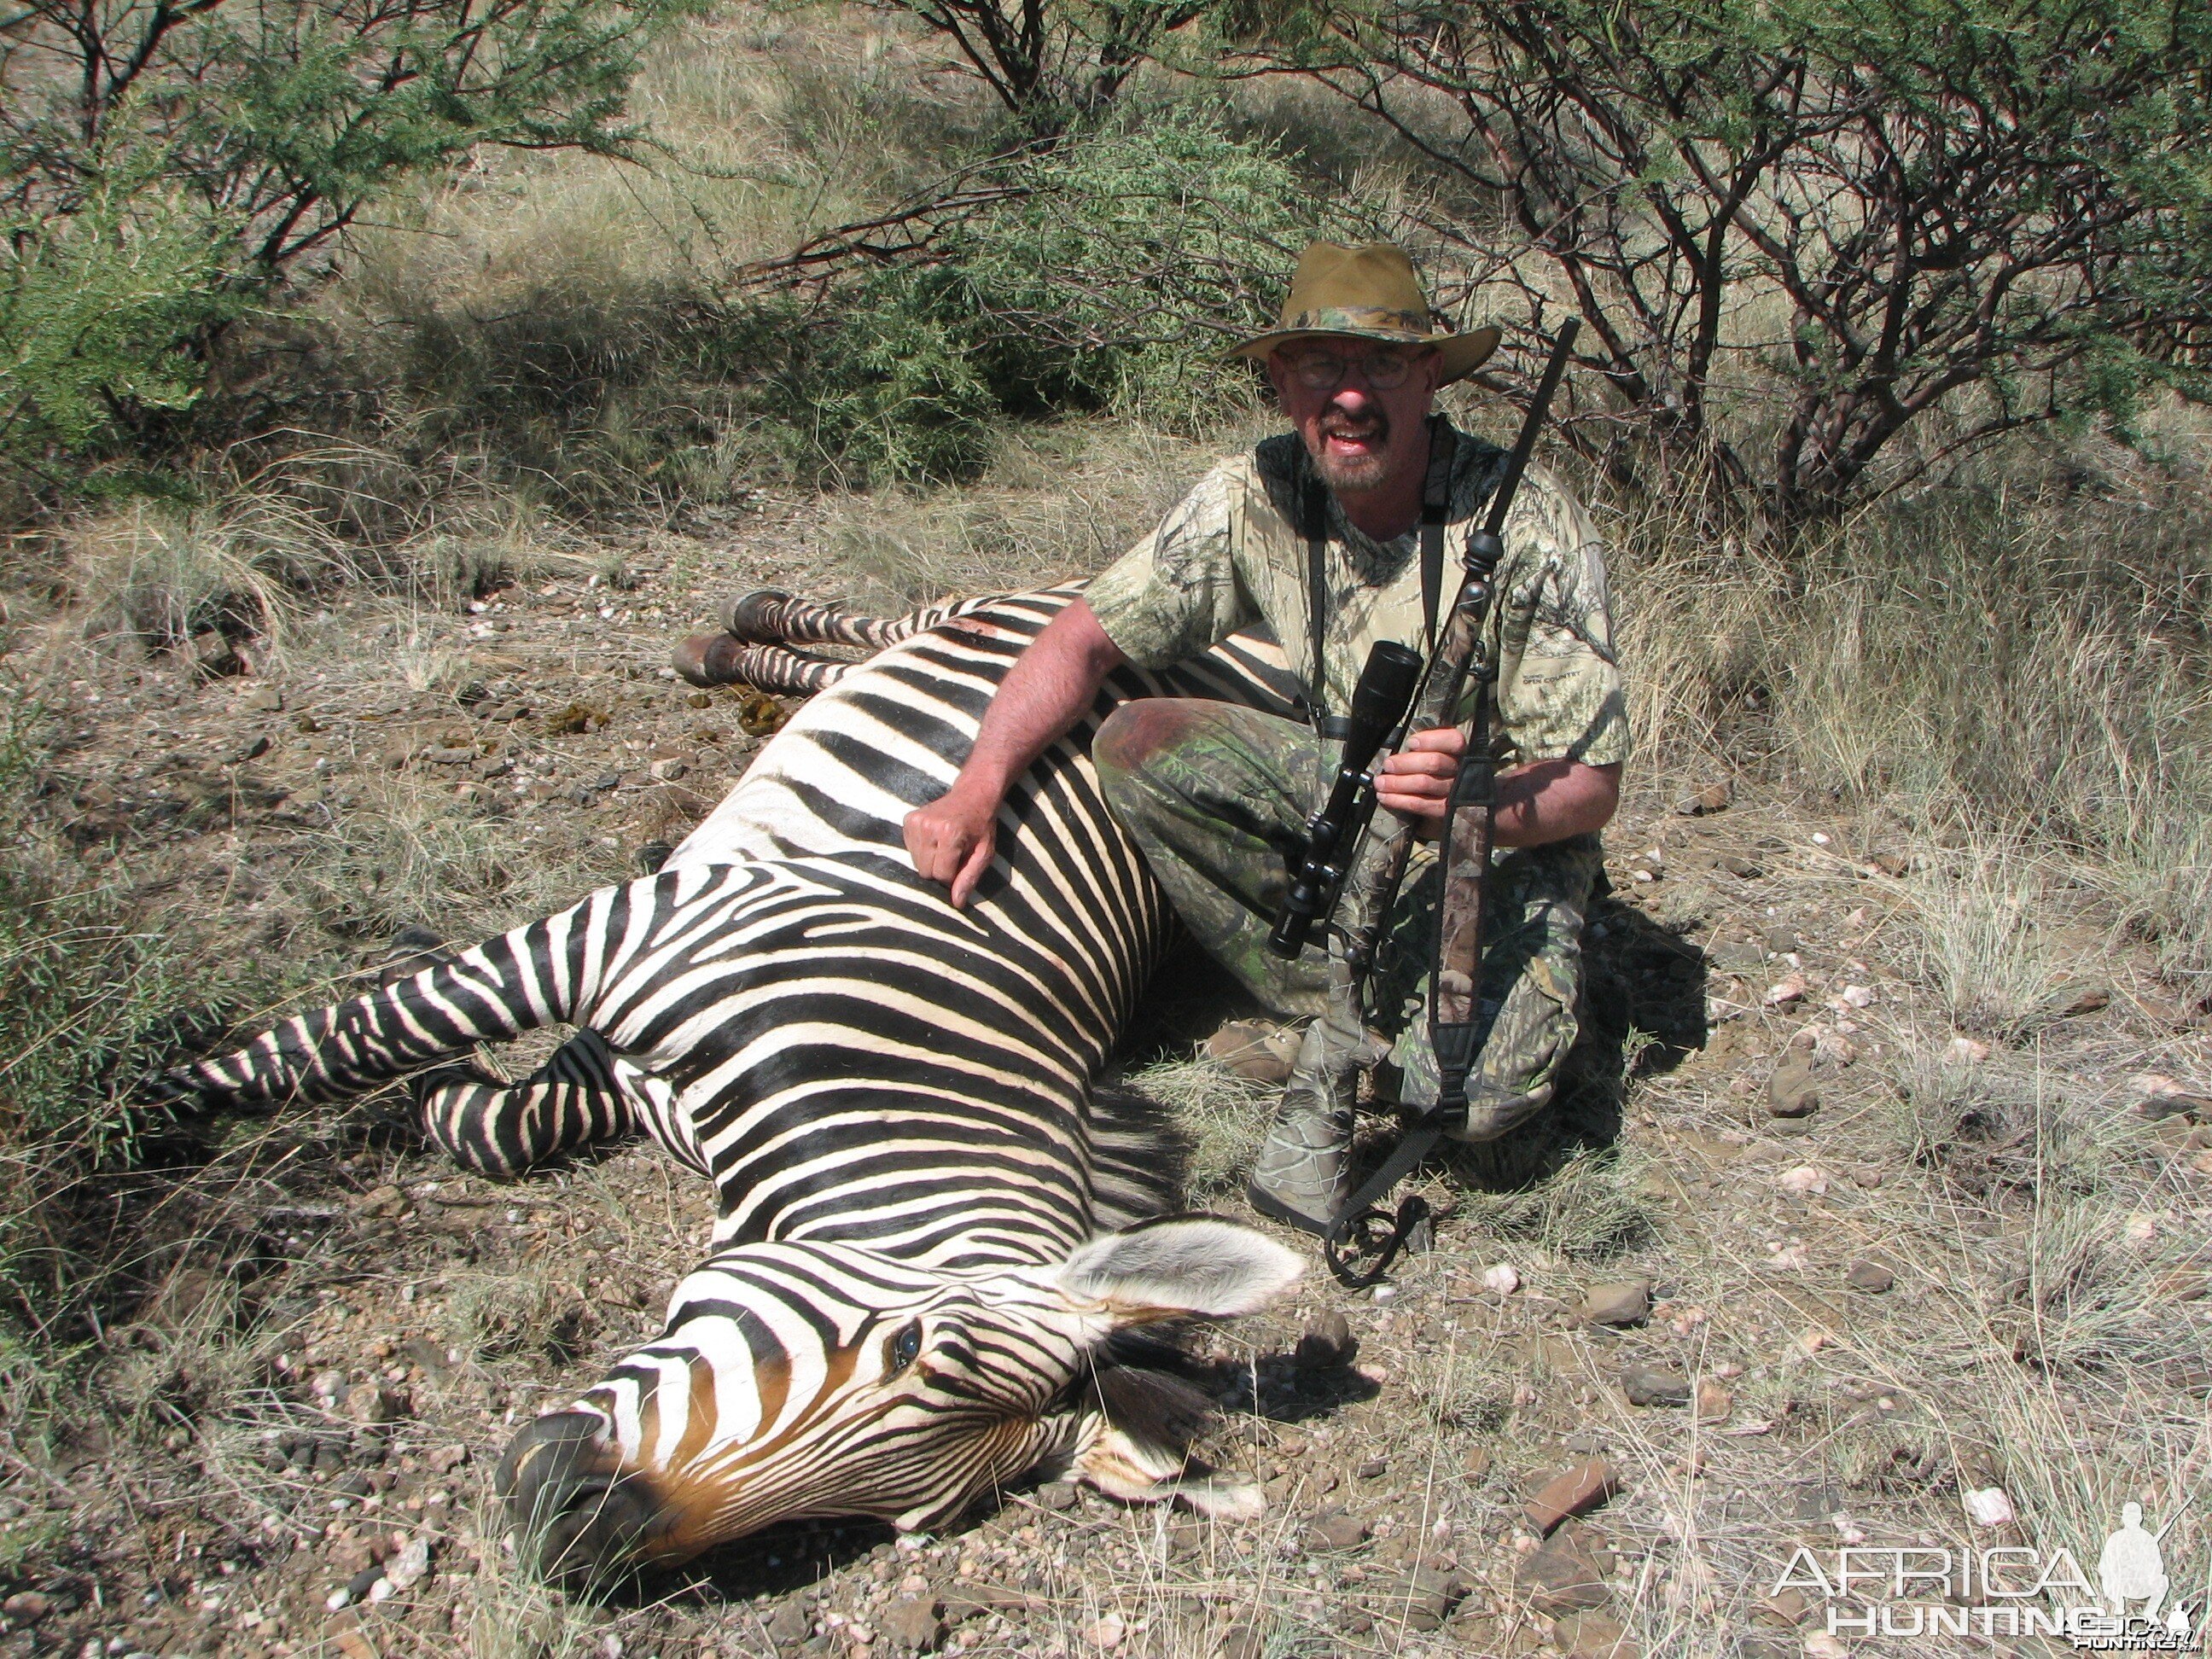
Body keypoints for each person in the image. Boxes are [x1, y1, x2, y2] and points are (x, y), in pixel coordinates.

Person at [905, 241, 1629, 1231]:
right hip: (1344, 787)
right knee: (1137, 744)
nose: (1350, 396)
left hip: (1494, 832)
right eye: (1322, 366)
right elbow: (1080, 639)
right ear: (1282, 380)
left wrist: (1472, 806)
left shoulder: (1529, 523)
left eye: (1380, 365)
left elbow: (1590, 785)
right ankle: (1332, 1001)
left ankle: (1446, 1015)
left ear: (1429, 377)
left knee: (1474, 1111)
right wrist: (977, 781)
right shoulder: (1254, 489)